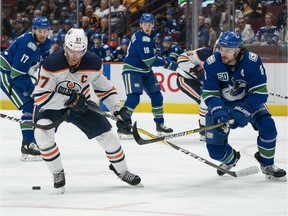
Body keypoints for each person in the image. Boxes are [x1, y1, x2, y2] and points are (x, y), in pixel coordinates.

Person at [32, 28, 142, 192]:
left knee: (109, 137)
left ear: (85, 49)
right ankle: (57, 172)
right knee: (42, 136)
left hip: (81, 105)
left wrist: (118, 110)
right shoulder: (51, 64)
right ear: (65, 47)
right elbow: (40, 98)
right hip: (51, 107)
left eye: (80, 51)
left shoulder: (93, 62)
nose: (75, 56)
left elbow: (105, 89)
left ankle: (122, 171)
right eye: (71, 51)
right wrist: (68, 101)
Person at [202, 30, 286, 181]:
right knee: (214, 151)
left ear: (238, 49)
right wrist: (219, 113)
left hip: (248, 101)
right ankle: (231, 159)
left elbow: (260, 93)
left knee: (268, 127)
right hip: (223, 104)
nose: (223, 53)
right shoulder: (212, 63)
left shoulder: (252, 61)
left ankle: (267, 165)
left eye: (227, 50)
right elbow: (210, 94)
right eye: (221, 48)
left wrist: (243, 110)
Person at [0, 16, 52, 161]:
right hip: (5, 74)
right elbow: (16, 75)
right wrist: (33, 91)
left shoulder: (47, 42)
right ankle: (27, 145)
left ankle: (32, 142)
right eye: (39, 30)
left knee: (34, 104)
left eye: (45, 31)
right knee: (29, 105)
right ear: (33, 30)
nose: (43, 34)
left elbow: (45, 63)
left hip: (19, 74)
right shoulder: (27, 45)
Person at [120, 13, 178, 138]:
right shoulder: (142, 38)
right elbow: (149, 60)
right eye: (145, 24)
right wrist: (167, 64)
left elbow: (155, 54)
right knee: (134, 97)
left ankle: (160, 124)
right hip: (132, 70)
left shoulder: (151, 36)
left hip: (146, 71)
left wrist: (168, 57)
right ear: (140, 25)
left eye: (150, 24)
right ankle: (122, 126)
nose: (147, 26)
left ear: (153, 25)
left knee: (157, 96)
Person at [177, 47, 213, 141]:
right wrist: (196, 69)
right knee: (204, 99)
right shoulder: (206, 53)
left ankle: (209, 125)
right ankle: (204, 130)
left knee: (211, 100)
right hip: (185, 80)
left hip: (199, 81)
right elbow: (181, 58)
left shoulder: (225, 59)